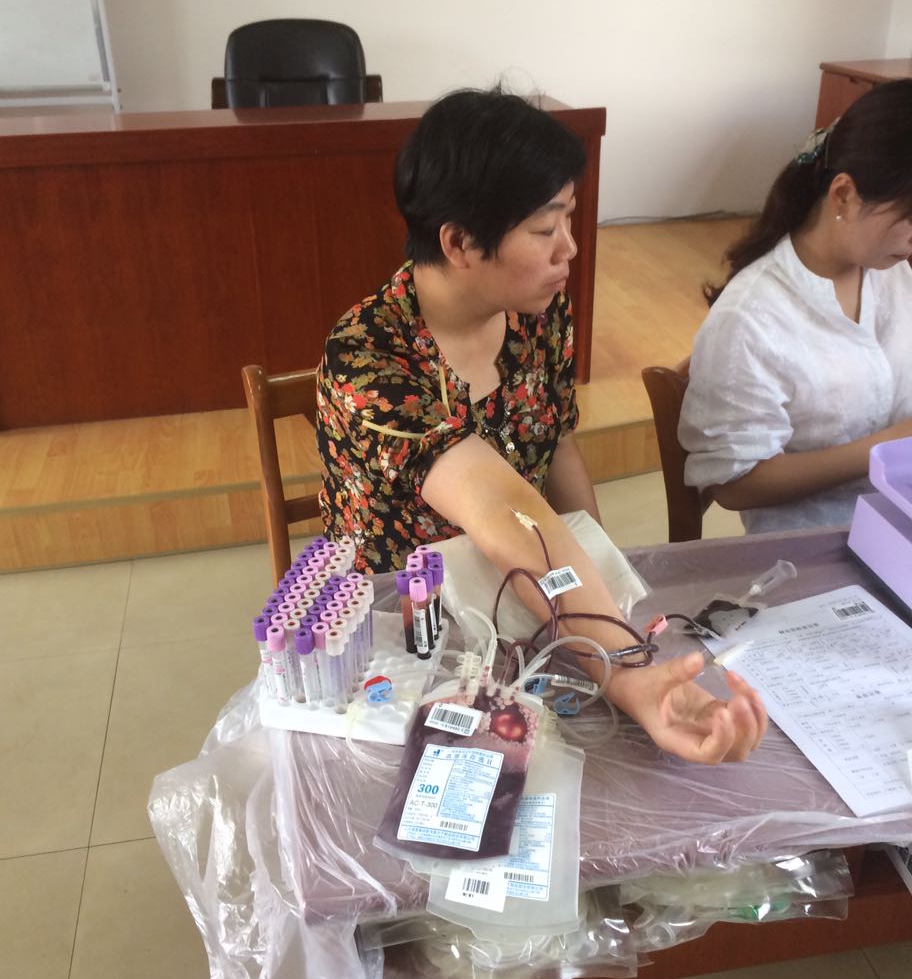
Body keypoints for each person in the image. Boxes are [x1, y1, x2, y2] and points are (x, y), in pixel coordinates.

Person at [317, 87, 766, 766]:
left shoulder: (535, 312)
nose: (570, 249)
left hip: (525, 596)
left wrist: (602, 584)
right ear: (460, 242)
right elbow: (506, 510)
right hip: (412, 636)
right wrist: (622, 665)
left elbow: (554, 445)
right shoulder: (370, 359)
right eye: (544, 228)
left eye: (571, 219)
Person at [680, 80, 912, 533]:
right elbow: (735, 484)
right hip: (817, 544)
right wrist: (885, 448)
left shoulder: (892, 272)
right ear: (843, 196)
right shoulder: (750, 318)